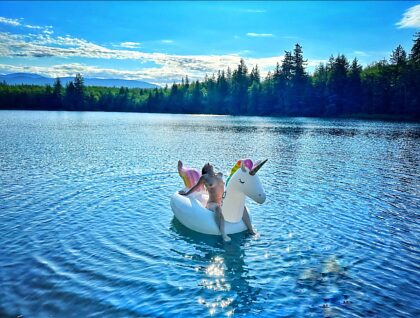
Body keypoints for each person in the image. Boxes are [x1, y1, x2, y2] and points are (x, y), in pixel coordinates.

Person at [178, 161, 256, 242]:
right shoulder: (205, 177)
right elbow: (196, 187)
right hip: (212, 203)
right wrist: (186, 194)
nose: (208, 163)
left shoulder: (220, 175)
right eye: (206, 165)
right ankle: (223, 234)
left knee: (241, 206)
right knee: (218, 208)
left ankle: (251, 230)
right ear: (205, 170)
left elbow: (230, 181)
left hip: (222, 202)